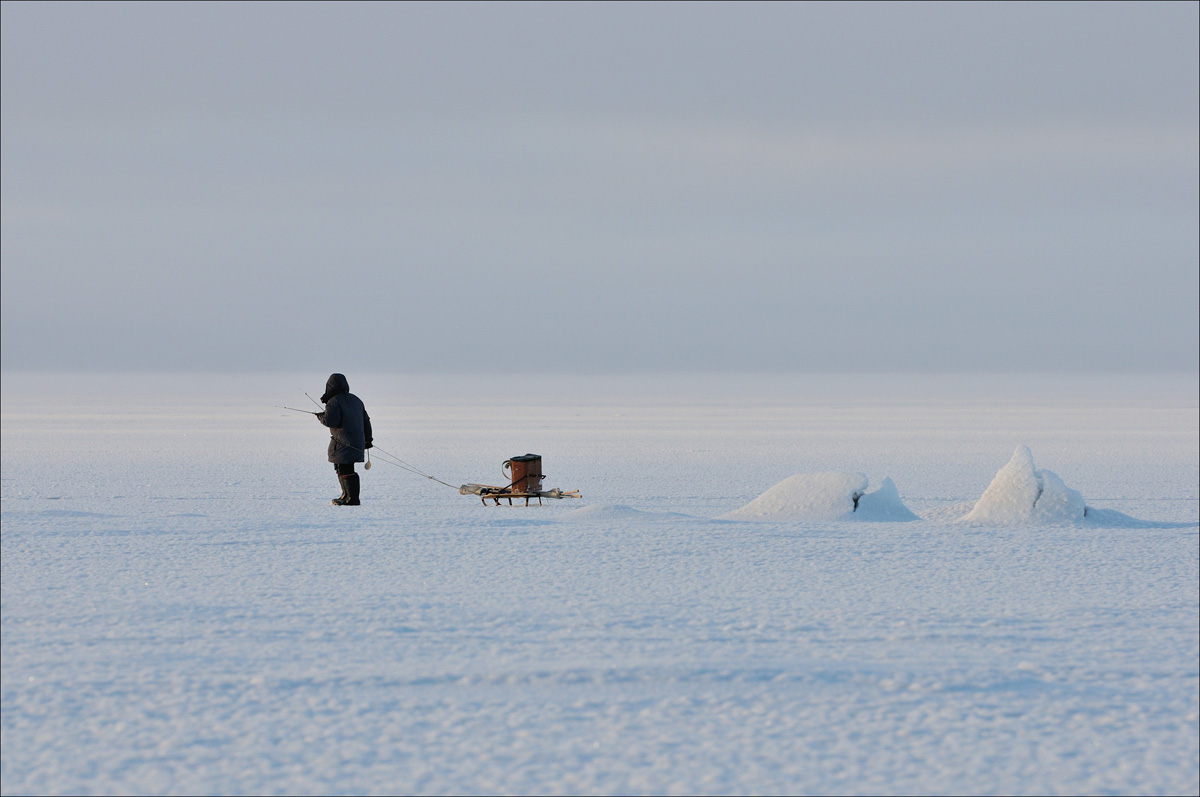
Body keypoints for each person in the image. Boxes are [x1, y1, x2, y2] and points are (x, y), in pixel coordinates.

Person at [316, 373, 373, 506]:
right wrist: (368, 440)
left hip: (343, 442)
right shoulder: (356, 400)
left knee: (345, 469)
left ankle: (352, 499)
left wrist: (321, 417)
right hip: (356, 441)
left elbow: (331, 421)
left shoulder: (334, 401)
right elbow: (366, 421)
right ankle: (346, 495)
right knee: (343, 467)